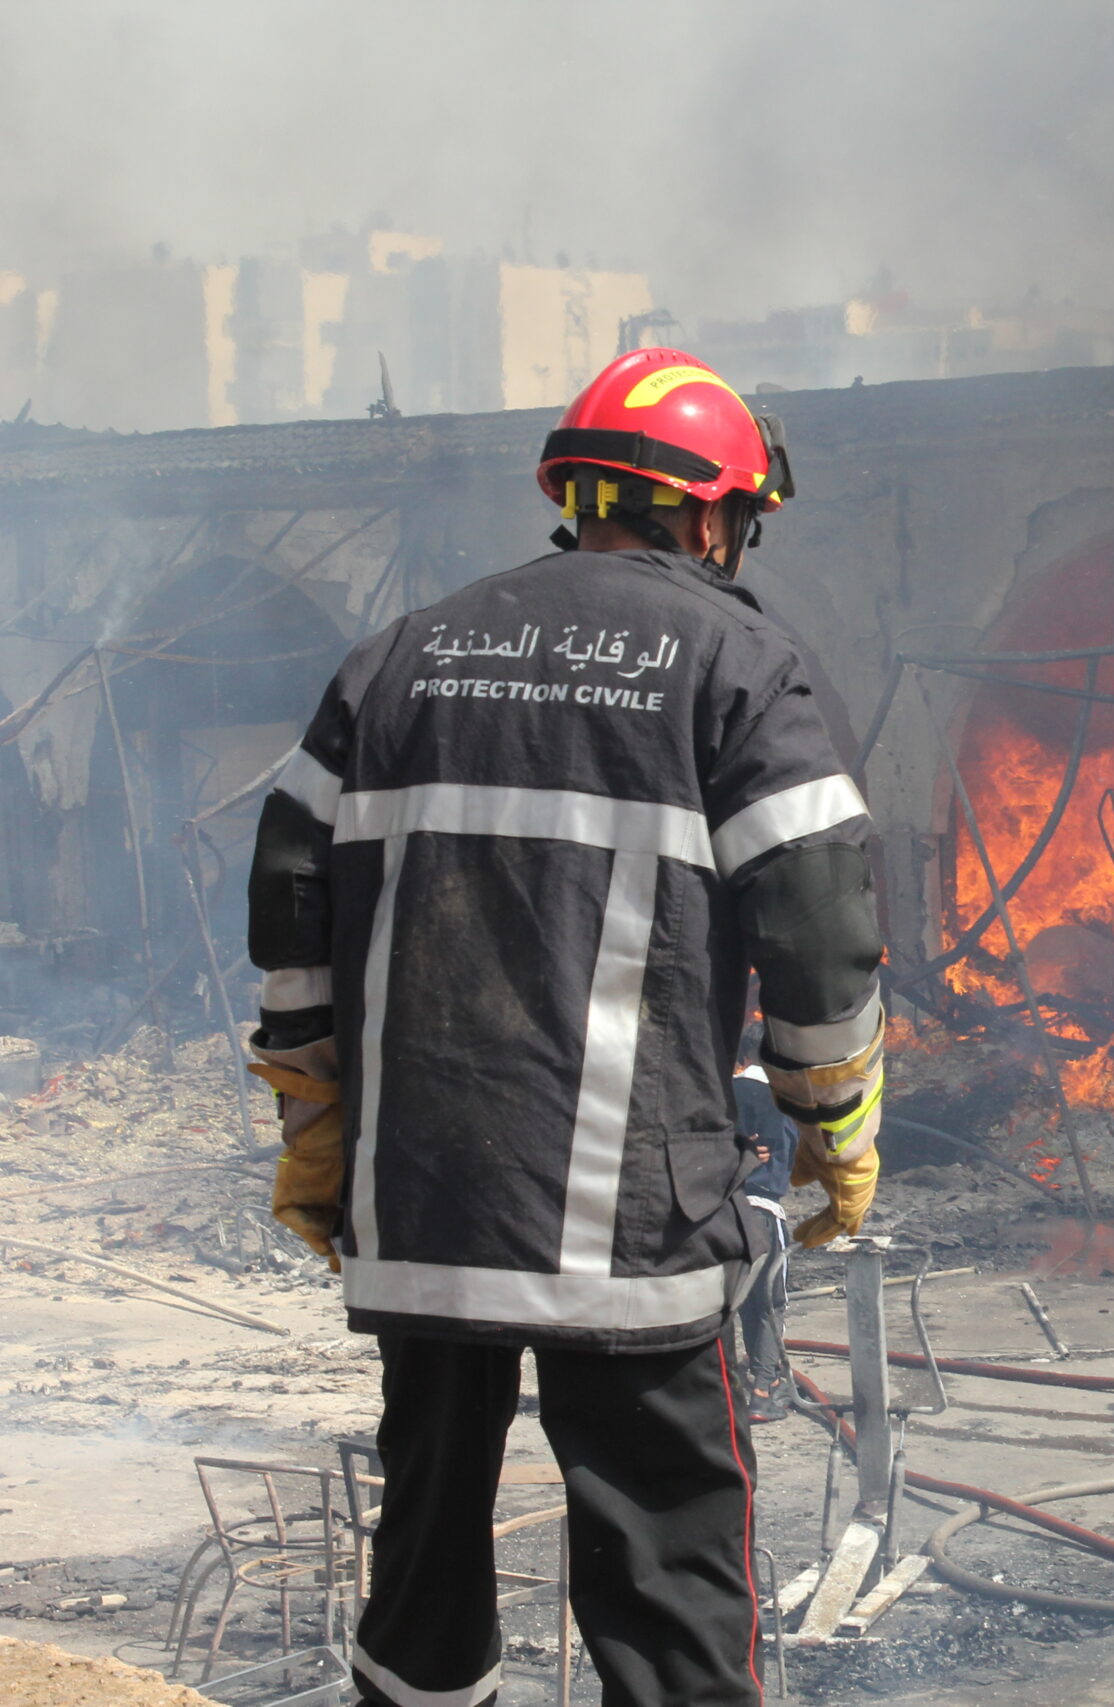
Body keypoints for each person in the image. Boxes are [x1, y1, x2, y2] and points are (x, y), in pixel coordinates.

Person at [244, 348, 886, 1707]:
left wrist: (318, 1125)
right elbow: (820, 920)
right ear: (712, 514)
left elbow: (291, 889)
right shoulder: (738, 660)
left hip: (422, 1205)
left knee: (421, 1566)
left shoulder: (399, 653)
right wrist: (837, 1124)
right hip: (629, 1226)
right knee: (671, 1583)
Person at [732, 1037, 803, 1425]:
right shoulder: (779, 1102)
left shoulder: (721, 1094)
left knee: (727, 1305)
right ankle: (762, 1391)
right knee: (768, 1304)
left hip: (716, 1212)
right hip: (760, 1213)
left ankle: (719, 1393)